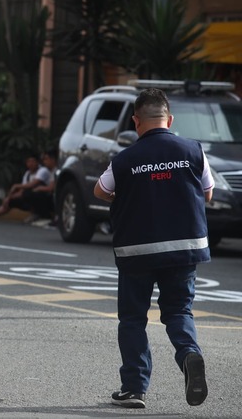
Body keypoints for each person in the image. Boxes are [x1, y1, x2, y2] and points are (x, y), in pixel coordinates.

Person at [93, 88, 212, 409]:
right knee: (178, 311)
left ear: (136, 121)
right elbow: (208, 193)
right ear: (169, 119)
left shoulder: (124, 158)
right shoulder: (193, 150)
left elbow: (100, 190)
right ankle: (189, 355)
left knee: (133, 319)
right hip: (184, 248)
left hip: (137, 251)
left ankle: (134, 388)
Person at [0, 152, 52, 223]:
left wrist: (16, 186)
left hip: (44, 198)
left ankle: (39, 214)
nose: (30, 164)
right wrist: (9, 198)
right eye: (28, 161)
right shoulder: (27, 174)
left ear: (37, 162)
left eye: (33, 161)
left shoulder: (43, 170)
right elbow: (22, 190)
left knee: (29, 193)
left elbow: (32, 185)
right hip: (30, 197)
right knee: (12, 201)